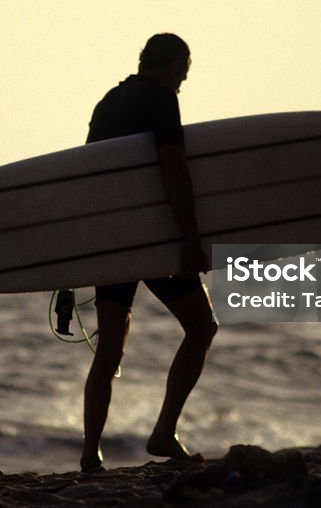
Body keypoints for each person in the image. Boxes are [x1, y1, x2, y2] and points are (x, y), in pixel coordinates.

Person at [80, 33, 218, 473]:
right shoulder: (161, 98)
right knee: (201, 325)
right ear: (173, 66)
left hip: (112, 237)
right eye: (183, 74)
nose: (182, 83)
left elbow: (87, 173)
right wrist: (191, 236)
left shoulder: (109, 101)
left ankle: (90, 453)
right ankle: (163, 431)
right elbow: (173, 167)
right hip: (153, 239)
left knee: (109, 350)